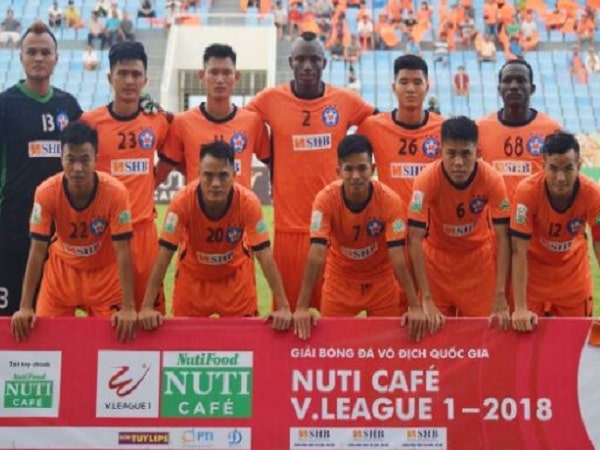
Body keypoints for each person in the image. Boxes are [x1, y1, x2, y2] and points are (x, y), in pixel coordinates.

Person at [245, 31, 375, 318]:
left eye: (314, 59)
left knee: (334, 321)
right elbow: (240, 123)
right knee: (288, 317)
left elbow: (378, 123)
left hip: (334, 229)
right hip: (289, 230)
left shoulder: (344, 101)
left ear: (324, 63)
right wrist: (270, 157)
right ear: (290, 62)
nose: (307, 66)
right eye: (300, 59)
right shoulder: (270, 99)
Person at [138, 141, 292, 331]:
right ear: (198, 174)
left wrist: (283, 307)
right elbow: (164, 255)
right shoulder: (182, 202)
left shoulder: (248, 202)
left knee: (243, 340)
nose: (216, 183)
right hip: (193, 280)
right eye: (208, 175)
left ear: (234, 174)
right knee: (186, 342)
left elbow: (264, 255)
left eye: (223, 175)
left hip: (235, 281)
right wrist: (147, 306)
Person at [10, 121, 137, 342]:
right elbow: (37, 250)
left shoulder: (116, 193)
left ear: (96, 159)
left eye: (85, 160)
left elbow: (123, 251)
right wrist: (25, 306)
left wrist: (128, 307)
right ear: (61, 159)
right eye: (71, 159)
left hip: (104, 277)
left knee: (114, 341)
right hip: (61, 275)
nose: (77, 168)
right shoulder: (46, 192)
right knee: (46, 340)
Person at [295, 134, 427, 340]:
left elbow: (398, 256)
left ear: (372, 169)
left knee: (386, 346)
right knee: (333, 345)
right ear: (338, 172)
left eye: (362, 168)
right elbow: (317, 253)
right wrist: (302, 306)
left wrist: (415, 305)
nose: (356, 176)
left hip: (380, 281)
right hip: (340, 280)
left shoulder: (389, 200)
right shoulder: (325, 199)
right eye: (349, 169)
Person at [81, 42, 171, 313]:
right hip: (104, 233)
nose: (130, 81)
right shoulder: (90, 123)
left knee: (151, 314)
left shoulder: (157, 120)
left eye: (136, 74)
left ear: (145, 79)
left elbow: (173, 153)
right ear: (110, 78)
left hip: (143, 231)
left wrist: (153, 181)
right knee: (107, 317)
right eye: (122, 73)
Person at [0, 21, 82, 317]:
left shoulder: (68, 106)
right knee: (10, 318)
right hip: (13, 226)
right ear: (20, 57)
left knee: (53, 319)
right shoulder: (5, 105)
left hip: (59, 232)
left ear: (56, 59)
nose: (38, 58)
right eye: (31, 52)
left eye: (45, 52)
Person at [408, 116, 510, 331]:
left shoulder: (492, 179)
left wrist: (500, 293)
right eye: (451, 153)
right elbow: (414, 239)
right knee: (433, 336)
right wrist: (425, 297)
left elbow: (503, 237)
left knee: (485, 335)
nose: (458, 163)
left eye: (466, 154)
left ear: (478, 152)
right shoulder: (426, 180)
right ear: (441, 152)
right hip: (437, 265)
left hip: (477, 265)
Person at [510, 132, 600, 332]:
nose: (560, 178)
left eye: (568, 168)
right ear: (543, 166)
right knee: (528, 345)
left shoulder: (593, 195)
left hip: (573, 282)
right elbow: (518, 251)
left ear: (579, 165)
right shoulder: (527, 192)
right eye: (553, 168)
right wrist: (520, 307)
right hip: (534, 281)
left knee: (575, 345)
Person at [158, 44, 269, 188]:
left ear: (236, 77)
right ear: (201, 75)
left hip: (240, 203)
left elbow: (276, 166)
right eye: (214, 72)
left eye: (226, 73)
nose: (220, 79)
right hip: (197, 203)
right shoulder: (182, 122)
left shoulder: (253, 122)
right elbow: (160, 173)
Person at [357, 54, 443, 206]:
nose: (410, 89)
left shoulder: (443, 129)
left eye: (417, 82)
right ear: (394, 87)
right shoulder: (372, 127)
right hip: (391, 219)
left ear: (427, 87)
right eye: (403, 82)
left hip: (430, 220)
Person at [477, 60, 562, 202]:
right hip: (497, 213)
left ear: (532, 88)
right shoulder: (481, 128)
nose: (514, 86)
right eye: (507, 81)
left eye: (521, 81)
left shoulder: (552, 130)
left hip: (535, 213)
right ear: (499, 89)